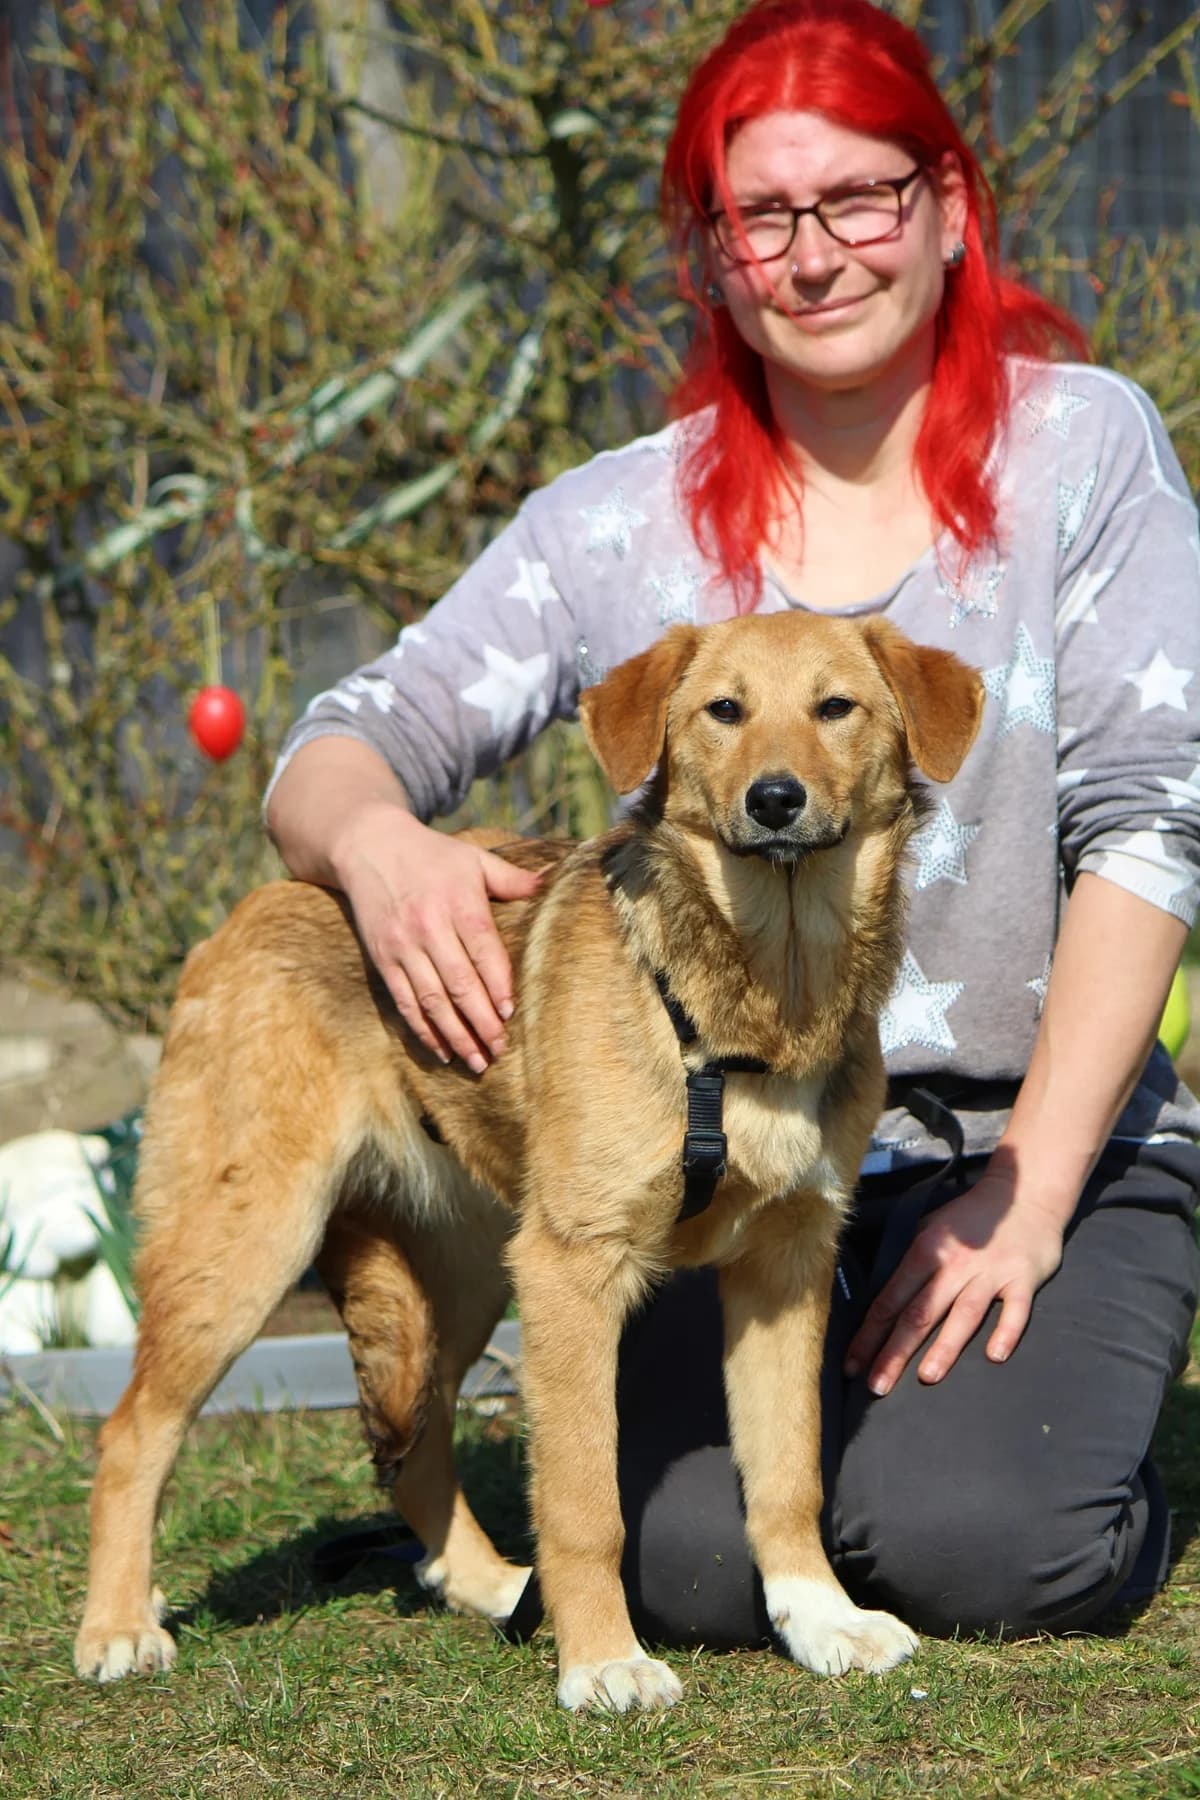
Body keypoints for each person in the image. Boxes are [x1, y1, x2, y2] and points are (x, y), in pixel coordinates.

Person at [266, 0, 1200, 1644]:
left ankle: (1058, 1467)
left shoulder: (1085, 450)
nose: (816, 254)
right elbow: (342, 743)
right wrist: (378, 847)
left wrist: (1034, 1192)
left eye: (861, 198)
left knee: (983, 1546)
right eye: (764, 216)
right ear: (712, 256)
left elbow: (1152, 826)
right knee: (692, 1569)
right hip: (717, 1170)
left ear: (949, 208)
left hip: (1027, 1137)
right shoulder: (615, 520)